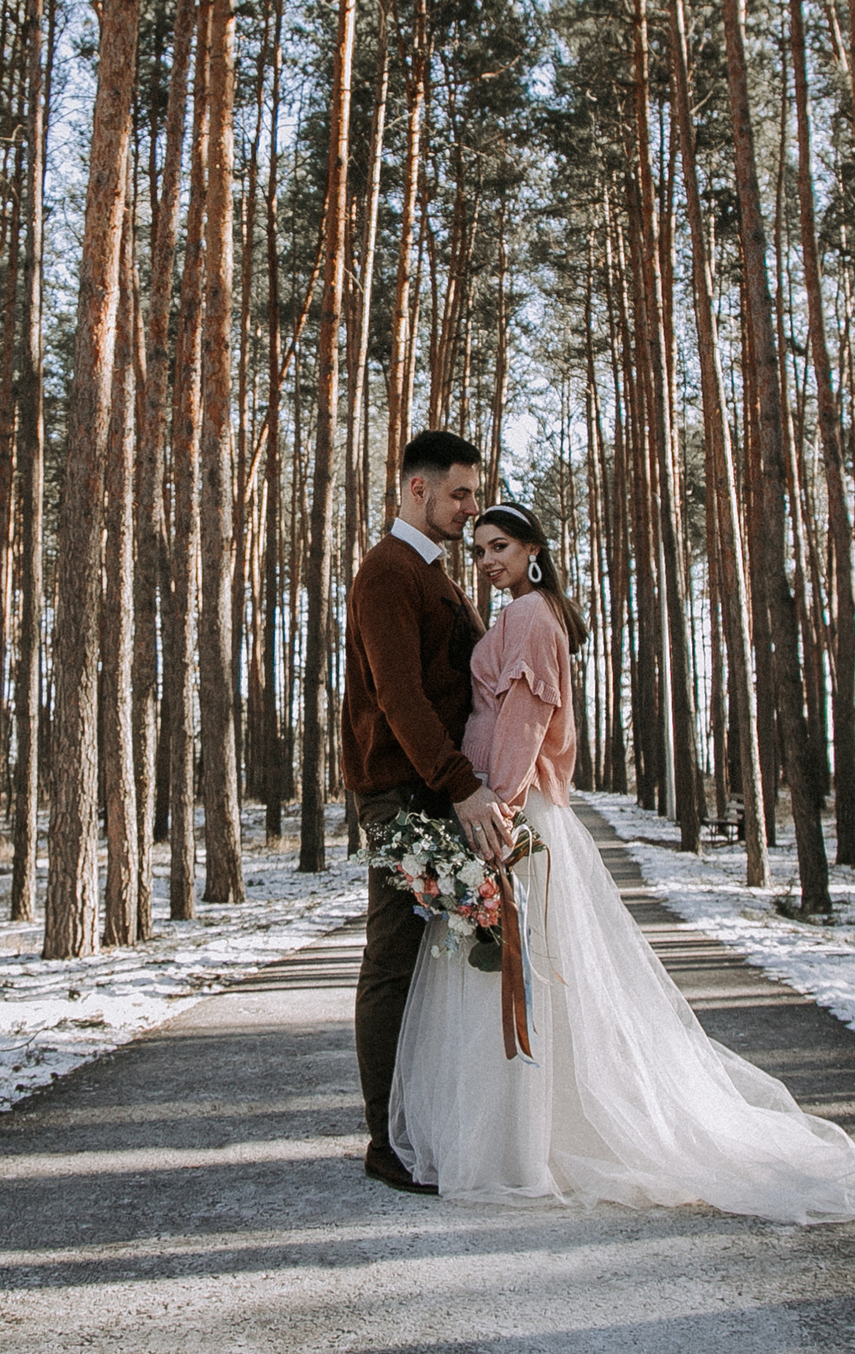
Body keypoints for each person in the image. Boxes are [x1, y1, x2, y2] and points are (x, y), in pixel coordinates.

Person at [386, 500, 855, 1222]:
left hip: (514, 813)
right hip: (503, 808)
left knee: (526, 973)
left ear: (534, 548)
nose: (487, 561)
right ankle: (515, 1137)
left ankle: (528, 1144)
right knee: (516, 977)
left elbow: (526, 726)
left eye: (499, 545)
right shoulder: (522, 615)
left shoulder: (532, 617)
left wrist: (495, 812)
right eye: (477, 551)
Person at [342, 429, 499, 1193]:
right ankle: (387, 1141)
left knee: (439, 963)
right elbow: (398, 697)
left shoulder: (432, 572)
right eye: (460, 494)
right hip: (402, 792)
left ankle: (424, 1122)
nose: (472, 508)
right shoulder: (386, 572)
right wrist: (460, 782)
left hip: (432, 789)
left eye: (475, 494)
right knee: (394, 962)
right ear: (417, 490)